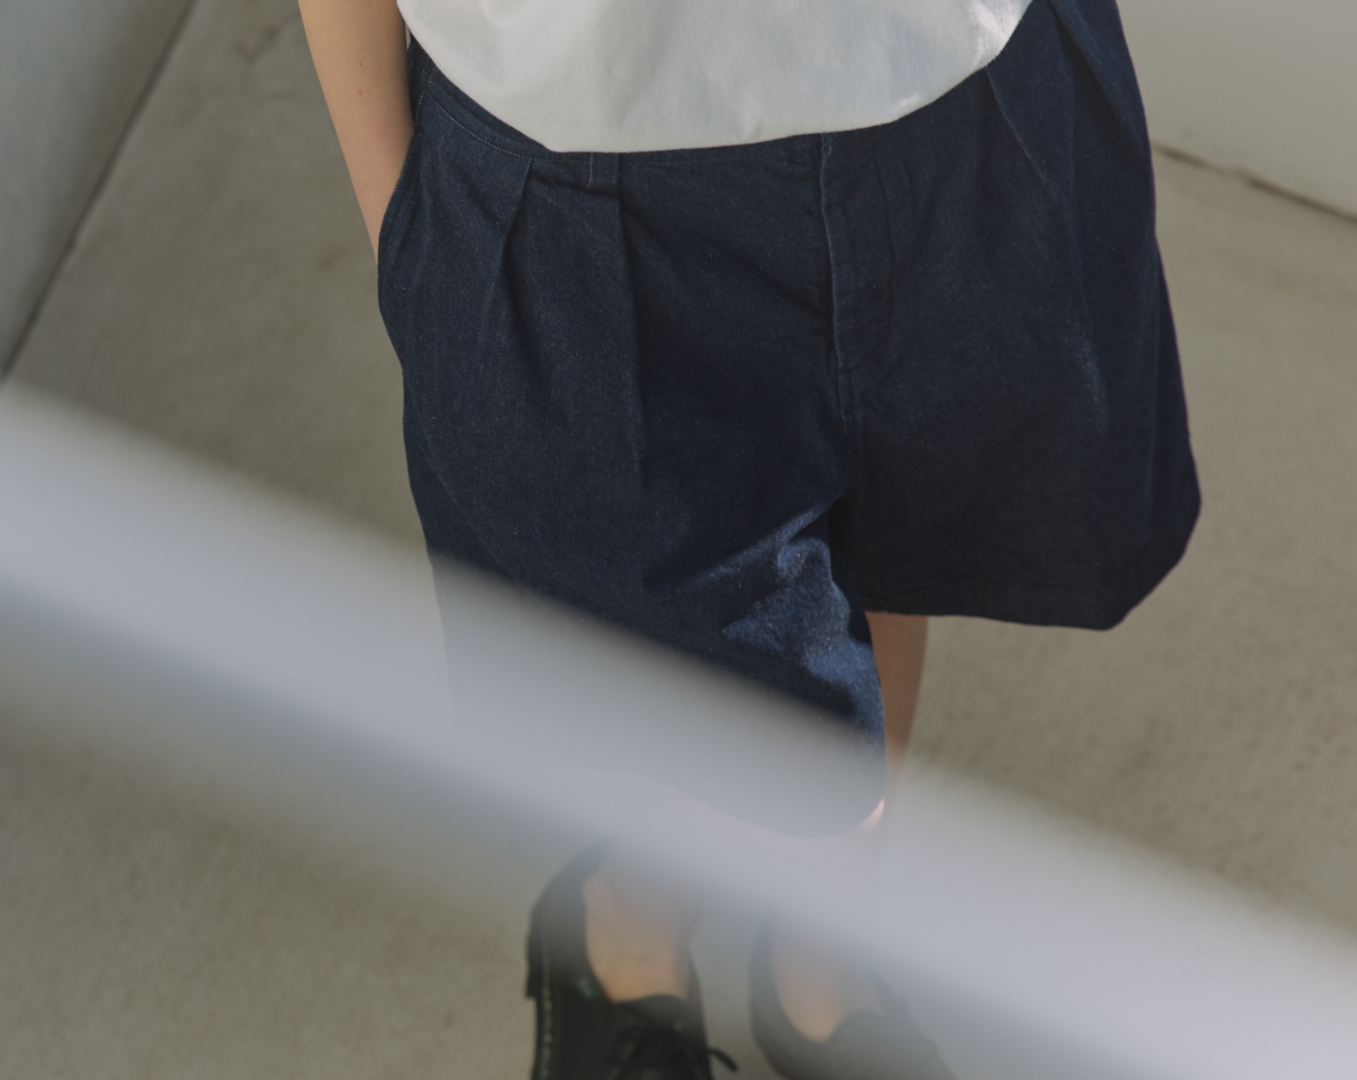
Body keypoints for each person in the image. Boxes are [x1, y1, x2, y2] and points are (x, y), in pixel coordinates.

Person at [296, 0, 1200, 1076]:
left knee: (895, 542)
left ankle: (822, 965)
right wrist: (398, 225)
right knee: (656, 650)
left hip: (953, 93)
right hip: (572, 149)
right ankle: (622, 932)